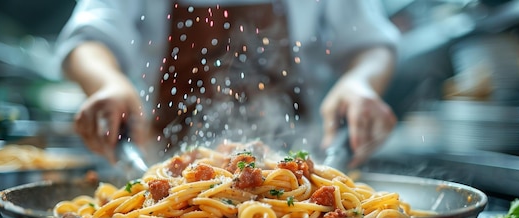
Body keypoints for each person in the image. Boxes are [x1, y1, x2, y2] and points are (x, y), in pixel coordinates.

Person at [55, 0, 400, 168]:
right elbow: (88, 39)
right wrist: (107, 83)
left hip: (297, 167)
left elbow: (370, 44)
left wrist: (361, 82)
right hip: (165, 169)